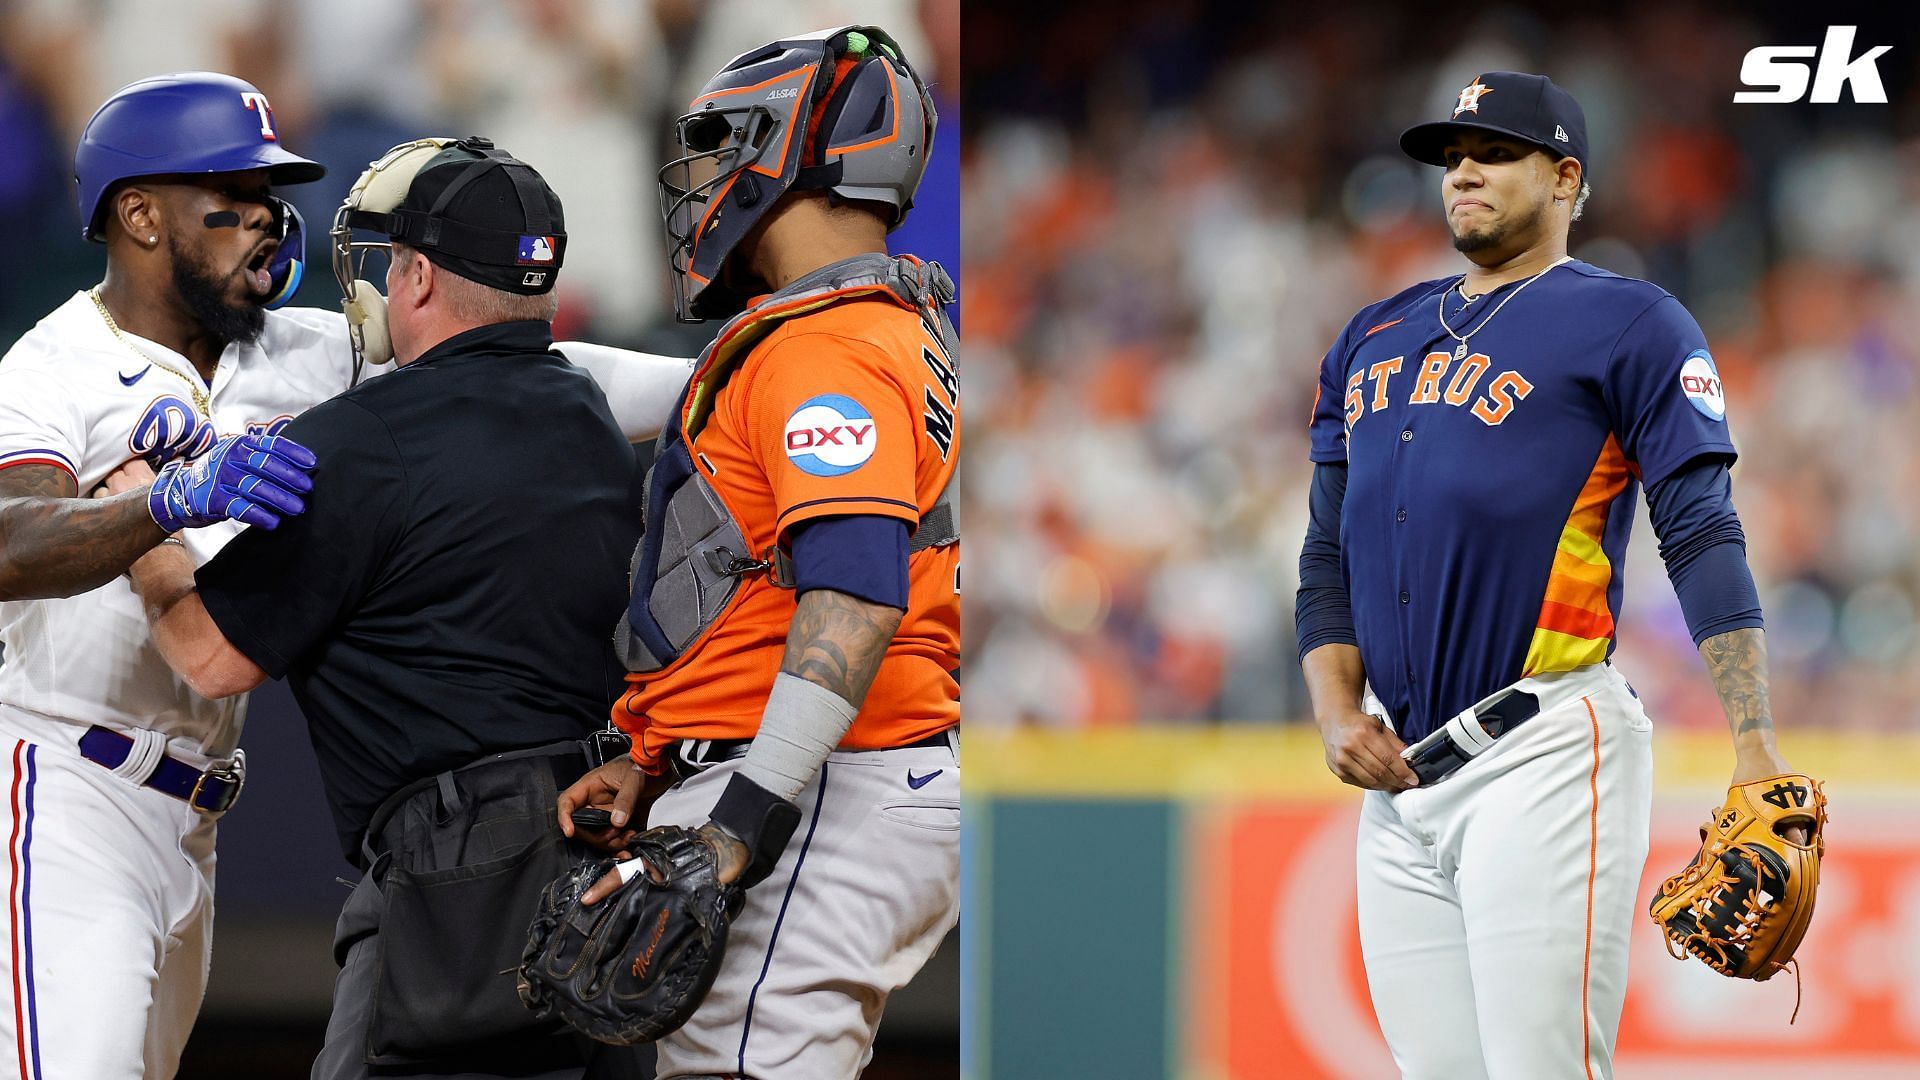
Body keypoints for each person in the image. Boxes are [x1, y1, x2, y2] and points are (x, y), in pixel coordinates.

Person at [0, 73, 685, 1079]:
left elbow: (533, 373)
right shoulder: (51, 367)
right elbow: (12, 542)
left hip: (192, 813)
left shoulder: (317, 352)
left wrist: (751, 370)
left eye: (274, 199)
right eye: (231, 203)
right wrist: (163, 505)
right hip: (61, 784)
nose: (270, 223)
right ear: (139, 216)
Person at [1293, 71, 1804, 1078]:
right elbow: (1327, 551)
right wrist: (1334, 713)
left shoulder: (1630, 322)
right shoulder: (1372, 335)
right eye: (1452, 157)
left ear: (1566, 176)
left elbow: (1700, 531)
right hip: (1400, 785)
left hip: (1545, 750)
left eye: (1493, 152)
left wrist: (1756, 746)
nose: (1464, 172)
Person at [554, 25, 961, 1078]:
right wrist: (656, 762)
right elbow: (759, 588)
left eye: (727, 140)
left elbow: (857, 598)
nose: (705, 173)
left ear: (803, 150)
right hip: (817, 779)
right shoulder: (846, 328)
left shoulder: (827, 347)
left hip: (816, 792)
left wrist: (737, 822)